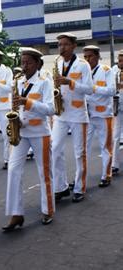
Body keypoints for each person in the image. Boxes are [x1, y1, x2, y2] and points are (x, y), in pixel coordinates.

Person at [3, 48, 55, 231]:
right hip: (22, 132)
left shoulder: (45, 83)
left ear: (38, 64)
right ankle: (16, 214)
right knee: (13, 169)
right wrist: (14, 117)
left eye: (28, 63)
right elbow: (14, 108)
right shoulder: (18, 82)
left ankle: (48, 210)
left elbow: (51, 109)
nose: (24, 66)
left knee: (44, 172)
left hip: (40, 132)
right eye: (22, 62)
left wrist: (27, 102)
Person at [52, 32, 93, 203]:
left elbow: (90, 89)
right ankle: (61, 187)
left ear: (74, 46)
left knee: (79, 153)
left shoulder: (83, 65)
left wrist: (70, 82)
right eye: (60, 44)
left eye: (66, 44)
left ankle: (79, 187)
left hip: (77, 114)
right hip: (61, 114)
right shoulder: (58, 63)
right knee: (54, 150)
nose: (62, 47)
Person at [83, 45, 116, 187]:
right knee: (83, 148)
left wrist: (94, 88)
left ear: (97, 56)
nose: (87, 59)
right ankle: (81, 178)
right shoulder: (83, 71)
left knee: (106, 147)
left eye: (90, 56)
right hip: (87, 115)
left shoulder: (106, 71)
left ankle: (106, 175)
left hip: (103, 114)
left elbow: (112, 90)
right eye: (85, 57)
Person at [112, 50, 123, 175]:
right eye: (119, 60)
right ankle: (114, 164)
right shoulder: (114, 70)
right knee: (115, 136)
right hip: (118, 106)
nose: (120, 63)